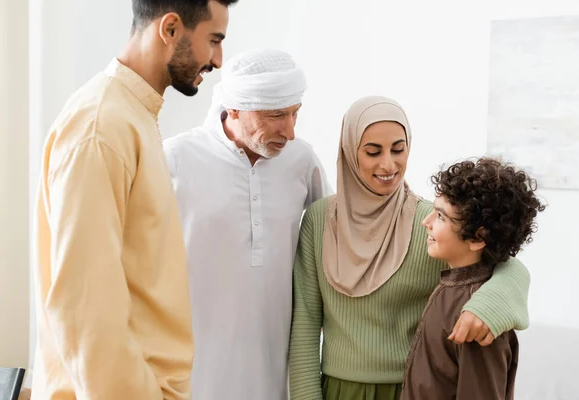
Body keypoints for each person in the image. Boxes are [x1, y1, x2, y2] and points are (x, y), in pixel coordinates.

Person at [31, 1, 238, 398]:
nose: (218, 59)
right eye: (214, 40)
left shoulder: (131, 117)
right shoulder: (102, 126)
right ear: (171, 28)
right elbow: (85, 310)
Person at [288, 96, 531, 400]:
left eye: (398, 149)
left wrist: (488, 304)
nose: (388, 164)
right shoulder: (319, 220)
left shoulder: (433, 224)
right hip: (337, 390)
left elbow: (506, 263)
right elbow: (306, 324)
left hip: (413, 388)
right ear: (350, 152)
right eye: (373, 152)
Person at [163, 48, 333, 400]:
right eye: (275, 116)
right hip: (195, 365)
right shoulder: (175, 159)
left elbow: (335, 238)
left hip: (276, 361)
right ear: (234, 109)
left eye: (294, 114)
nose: (288, 130)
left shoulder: (301, 160)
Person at [400, 157, 546, 399]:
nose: (425, 222)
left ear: (478, 238)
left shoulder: (477, 322)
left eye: (440, 217)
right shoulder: (453, 289)